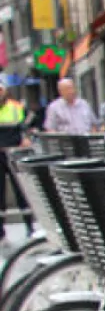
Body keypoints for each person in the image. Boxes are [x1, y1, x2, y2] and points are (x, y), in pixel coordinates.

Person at [0, 82, 33, 240]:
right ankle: (0, 231)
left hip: (14, 152)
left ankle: (29, 226)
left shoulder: (16, 107)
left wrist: (27, 137)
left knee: (21, 189)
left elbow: (30, 122)